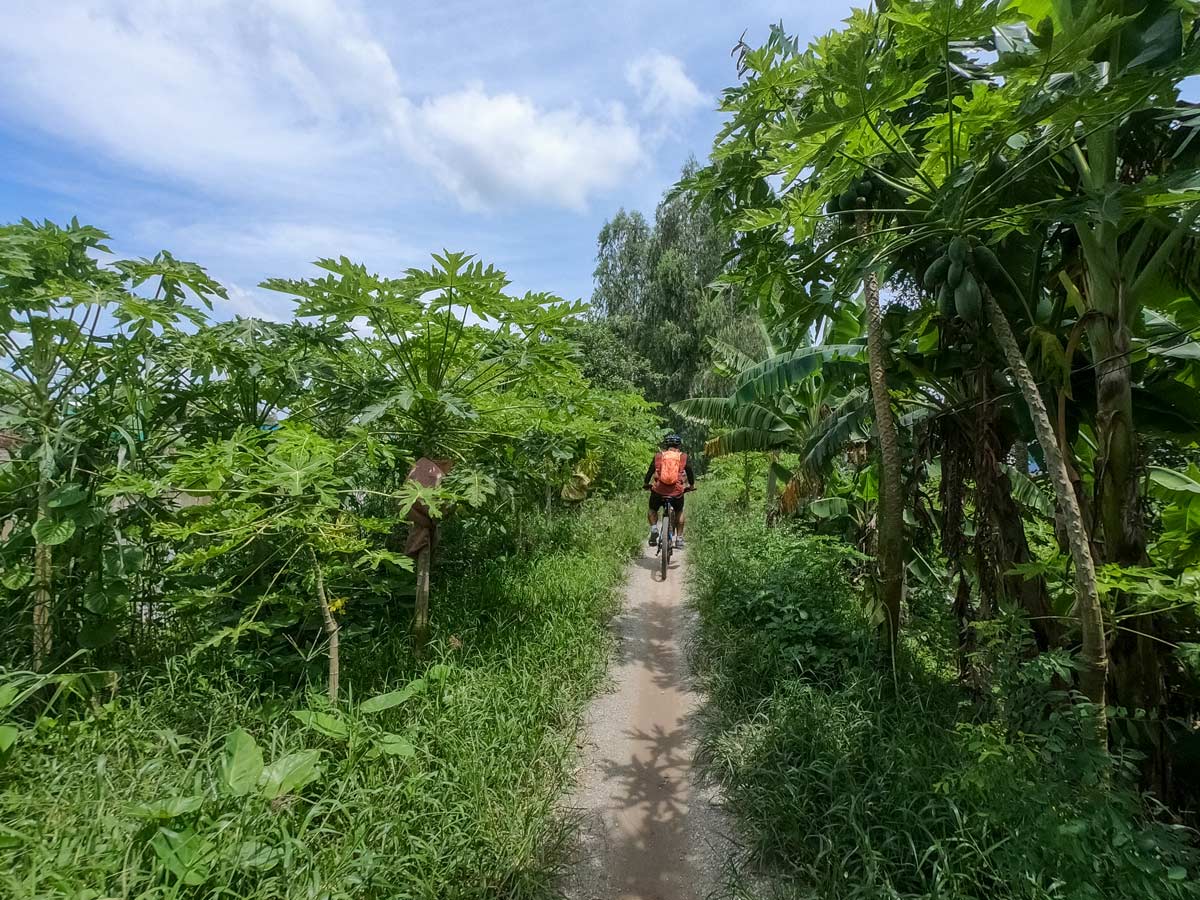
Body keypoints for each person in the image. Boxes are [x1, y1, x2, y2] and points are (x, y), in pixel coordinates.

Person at [643, 434, 695, 550]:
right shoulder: (683, 457)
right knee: (679, 511)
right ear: (679, 445)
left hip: (658, 491)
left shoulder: (659, 456)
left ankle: (653, 528)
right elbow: (690, 472)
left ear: (666, 445)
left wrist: (646, 483)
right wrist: (691, 486)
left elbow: (650, 471)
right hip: (677, 492)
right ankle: (679, 538)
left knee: (652, 509)